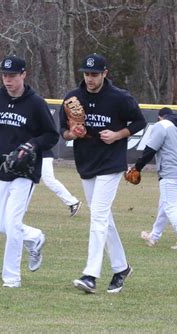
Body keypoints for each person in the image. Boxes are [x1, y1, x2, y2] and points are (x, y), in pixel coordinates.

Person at [60, 53, 146, 294]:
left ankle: (90, 275)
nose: (90, 78)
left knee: (97, 216)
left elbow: (139, 122)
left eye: (95, 74)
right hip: (86, 162)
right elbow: (62, 131)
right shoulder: (73, 98)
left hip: (111, 163)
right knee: (103, 218)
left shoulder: (119, 98)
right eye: (87, 74)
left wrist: (118, 135)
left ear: (105, 73)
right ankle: (121, 268)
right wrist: (72, 133)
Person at [0, 55, 59, 288]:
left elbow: (51, 135)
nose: (8, 80)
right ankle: (35, 237)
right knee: (2, 226)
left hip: (25, 172)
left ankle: (11, 278)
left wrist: (32, 145)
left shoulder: (36, 103)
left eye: (13, 76)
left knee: (13, 224)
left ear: (23, 75)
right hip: (1, 169)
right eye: (5, 76)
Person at [133, 107, 177, 250]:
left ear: (161, 117)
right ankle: (153, 236)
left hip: (169, 173)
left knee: (169, 207)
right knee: (164, 206)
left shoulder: (161, 126)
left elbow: (150, 149)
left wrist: (137, 167)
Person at [41, 149, 82, 217]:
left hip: (43, 155)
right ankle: (22, 205)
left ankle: (73, 202)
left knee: (49, 180)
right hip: (36, 155)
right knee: (29, 180)